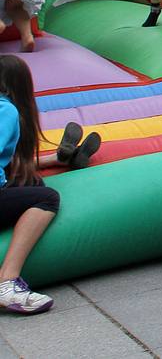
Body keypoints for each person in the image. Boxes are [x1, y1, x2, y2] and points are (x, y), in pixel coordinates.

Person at [0, 54, 85, 315]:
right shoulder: (6, 109)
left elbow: (9, 163)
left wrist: (51, 160)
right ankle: (7, 282)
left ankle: (61, 157)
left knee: (31, 181)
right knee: (46, 197)